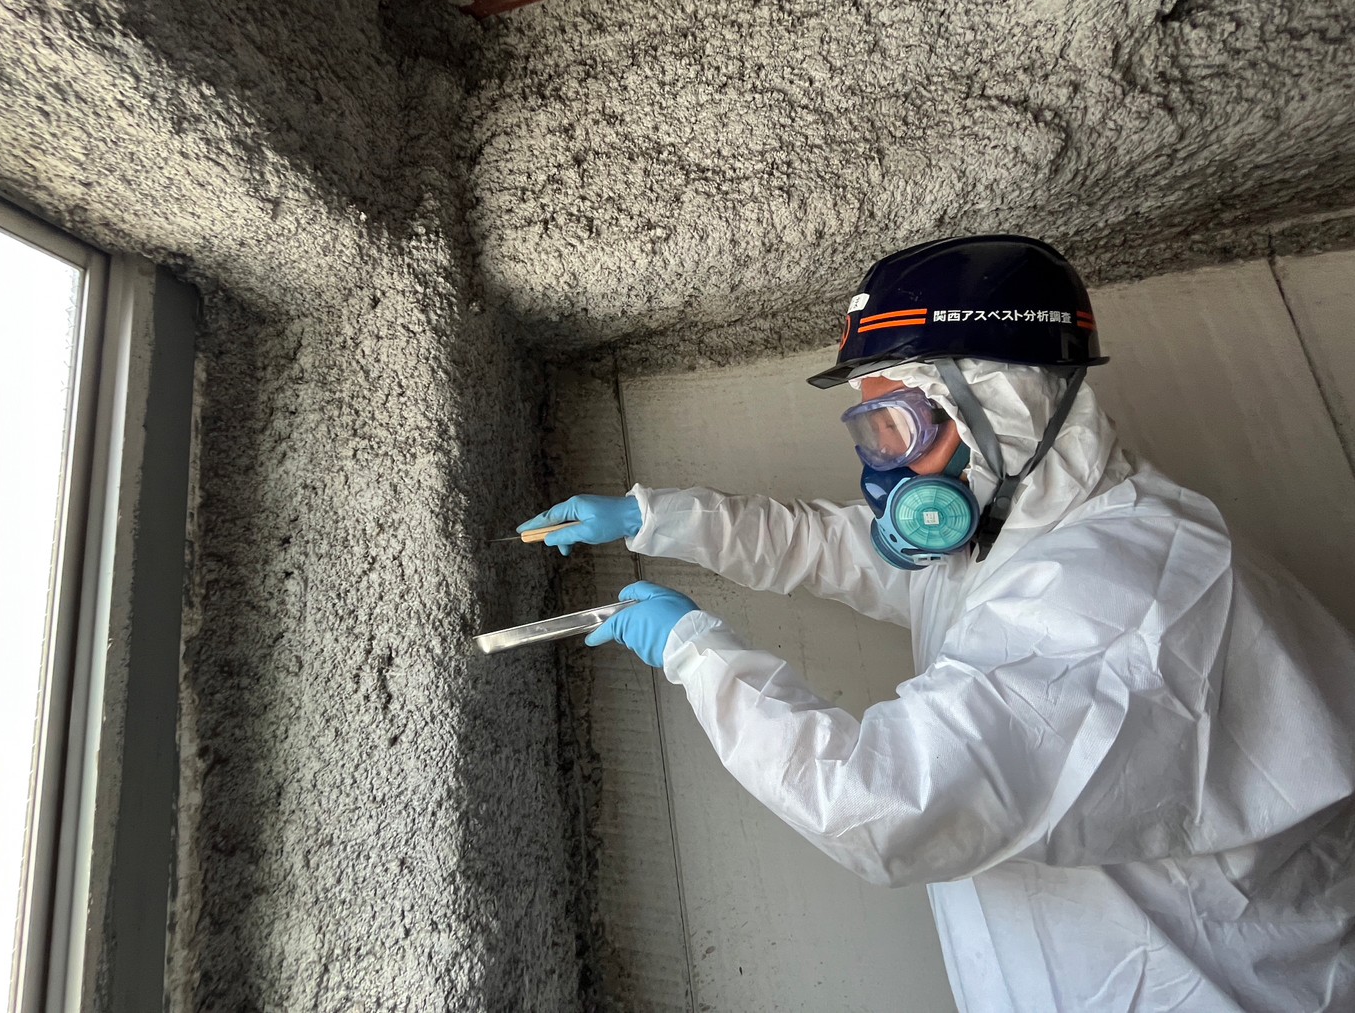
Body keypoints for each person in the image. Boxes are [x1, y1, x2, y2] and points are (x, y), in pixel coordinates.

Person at [519, 235, 1355, 1012]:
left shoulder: (1110, 601)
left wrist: (694, 652)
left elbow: (879, 804)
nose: (879, 470)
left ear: (1004, 410)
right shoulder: (1018, 532)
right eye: (868, 430)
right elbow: (838, 548)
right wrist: (650, 519)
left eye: (898, 427)